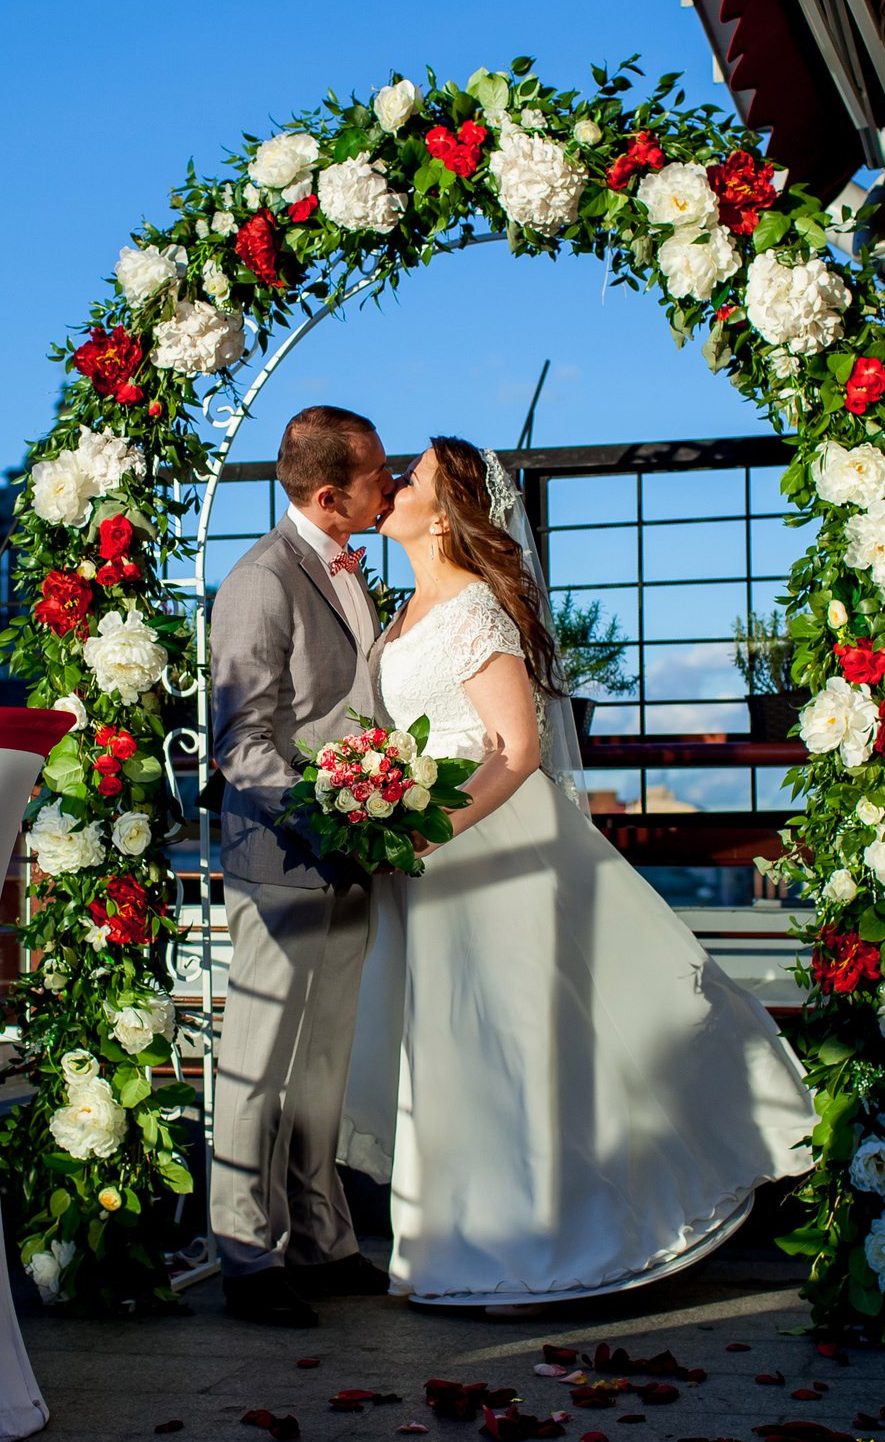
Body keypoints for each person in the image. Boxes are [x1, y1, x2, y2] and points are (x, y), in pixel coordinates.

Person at [344, 436, 820, 1308]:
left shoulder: (477, 611)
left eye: (413, 475)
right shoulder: (401, 614)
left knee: (518, 1040)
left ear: (449, 507)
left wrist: (428, 827)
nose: (395, 481)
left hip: (488, 845)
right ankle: (449, 1241)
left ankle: (553, 1236)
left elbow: (518, 750)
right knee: (450, 1045)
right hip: (428, 858)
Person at [207, 406, 400, 1327]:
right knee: (255, 1065)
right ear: (330, 496)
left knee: (324, 1061)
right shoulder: (258, 582)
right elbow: (240, 746)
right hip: (284, 859)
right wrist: (333, 817)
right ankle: (245, 1253)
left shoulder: (346, 567)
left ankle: (323, 1240)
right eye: (379, 476)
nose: (391, 487)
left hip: (355, 854)